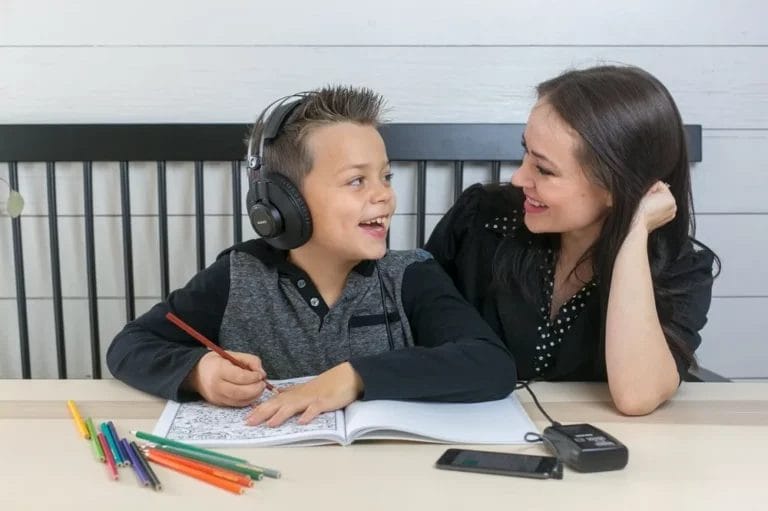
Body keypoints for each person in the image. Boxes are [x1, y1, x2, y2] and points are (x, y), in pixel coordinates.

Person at [107, 85, 517, 427]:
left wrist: (354, 376)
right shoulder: (238, 276)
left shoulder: (410, 275)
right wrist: (200, 372)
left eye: (386, 177)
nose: (384, 195)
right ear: (284, 203)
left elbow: (491, 365)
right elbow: (129, 346)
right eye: (356, 180)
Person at [425, 65, 719, 416]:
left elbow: (637, 396)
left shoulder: (679, 271)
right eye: (526, 153)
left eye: (544, 170)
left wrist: (634, 230)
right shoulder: (481, 222)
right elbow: (411, 321)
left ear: (616, 187)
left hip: (605, 447)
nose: (519, 178)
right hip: (465, 428)